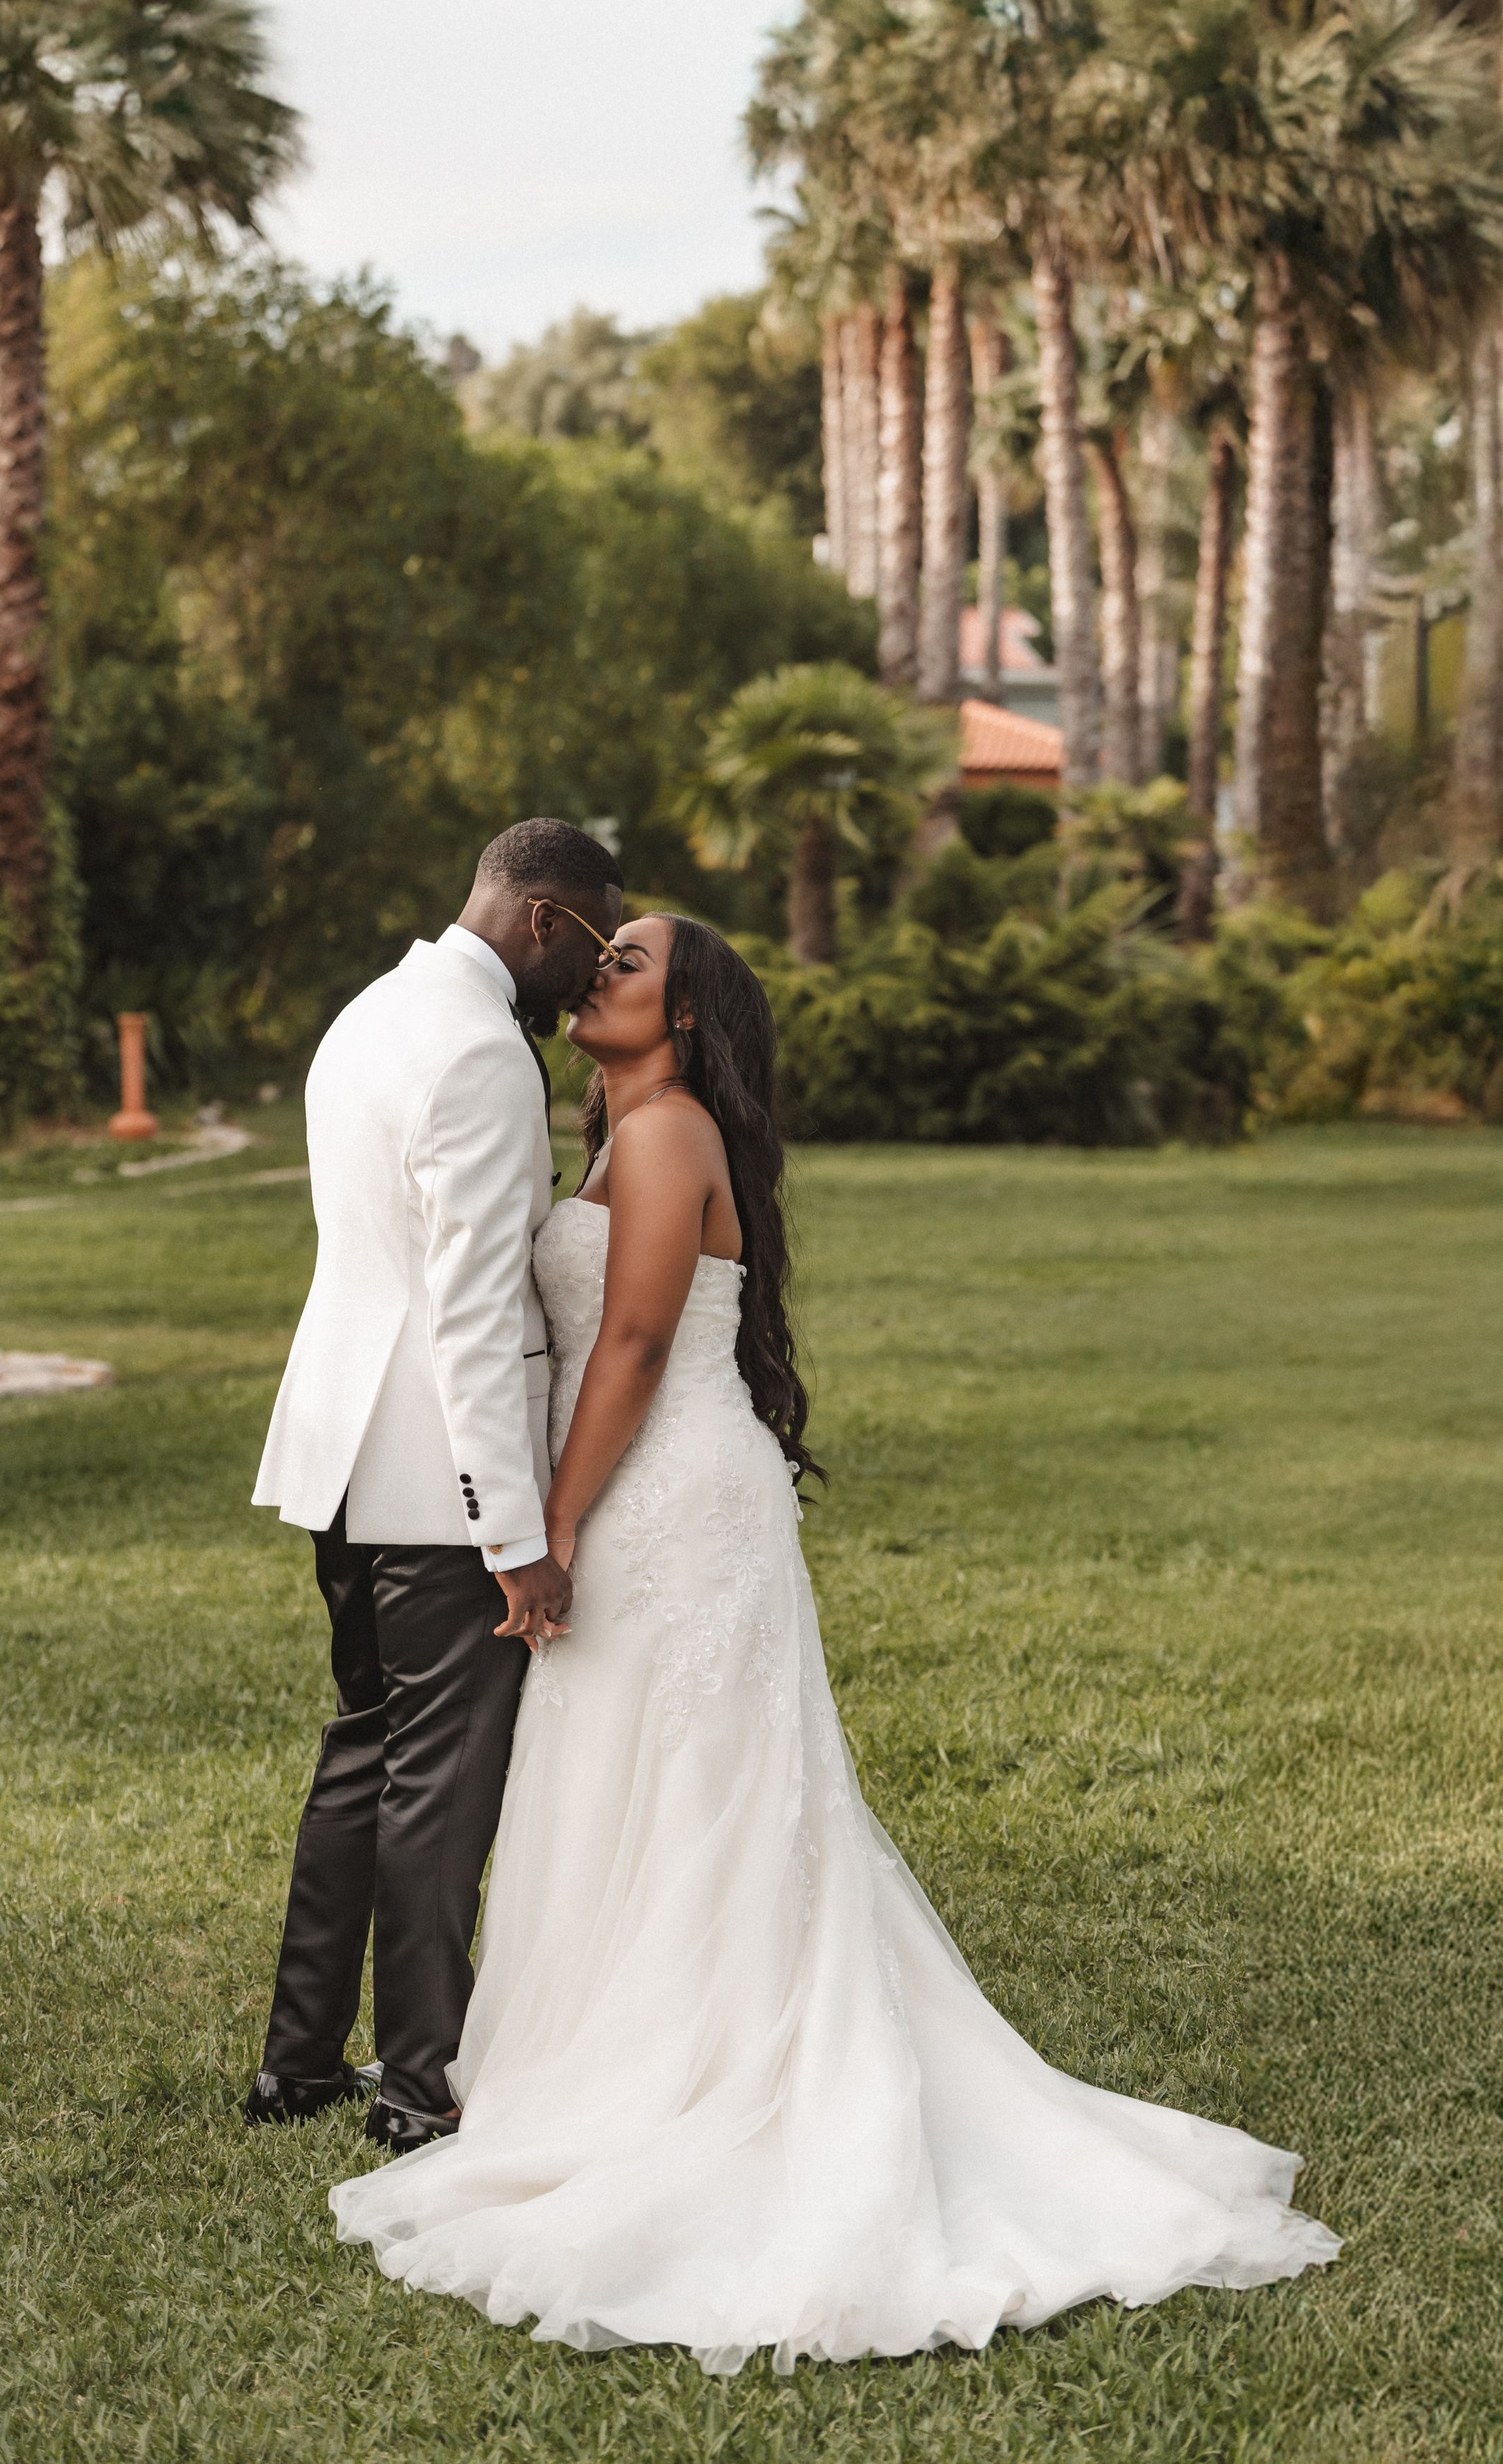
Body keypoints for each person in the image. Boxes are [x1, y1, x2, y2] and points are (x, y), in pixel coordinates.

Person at [329, 914, 1339, 2370]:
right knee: (621, 1781)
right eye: (601, 951)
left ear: (687, 1016)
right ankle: (607, 2056)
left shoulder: (669, 1132)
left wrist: (547, 1525)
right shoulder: (618, 1137)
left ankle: (709, 2071)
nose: (598, 970)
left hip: (672, 1503)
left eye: (630, 960)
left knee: (701, 1791)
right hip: (639, 1496)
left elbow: (633, 1345)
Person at [244, 818, 623, 2155]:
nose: (596, 975)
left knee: (366, 1749)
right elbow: (469, 1314)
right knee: (440, 1785)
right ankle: (419, 2087)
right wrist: (510, 1531)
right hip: (431, 1476)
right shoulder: (477, 1053)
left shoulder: (371, 1013)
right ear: (542, 920)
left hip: (343, 1453)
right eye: (593, 942)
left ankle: (299, 2064)